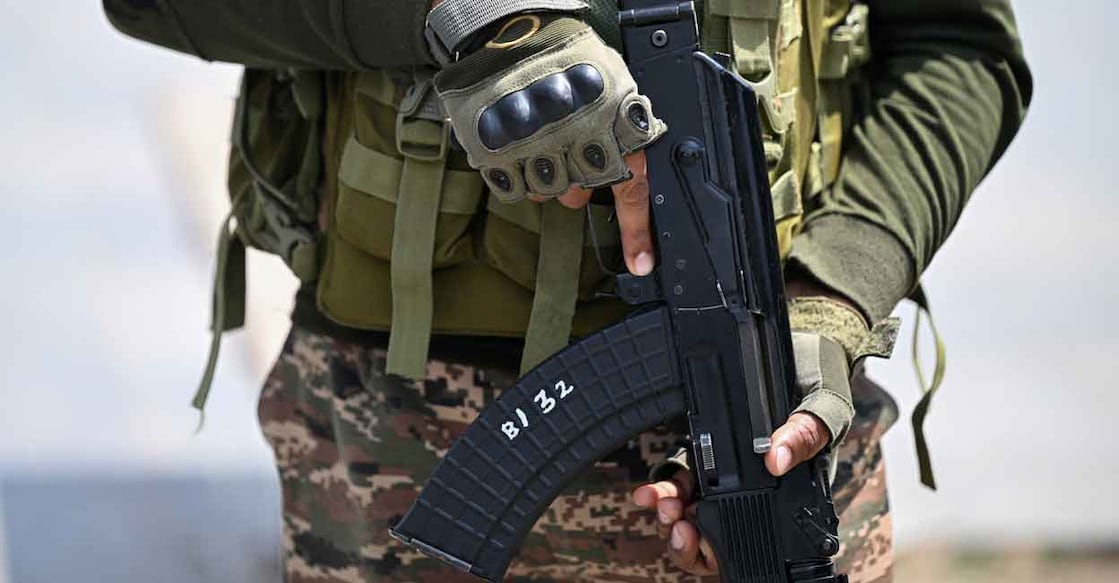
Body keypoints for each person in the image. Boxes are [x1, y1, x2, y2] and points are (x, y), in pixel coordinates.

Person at [102, 0, 1031, 581]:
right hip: (396, 437)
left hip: (781, 421)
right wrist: (472, 22)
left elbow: (958, 45)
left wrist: (836, 287)